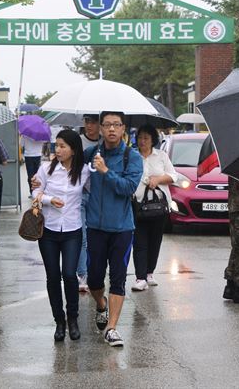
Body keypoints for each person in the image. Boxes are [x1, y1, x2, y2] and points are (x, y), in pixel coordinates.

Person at [84, 111, 143, 347]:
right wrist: (41, 181)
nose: (111, 129)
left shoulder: (132, 157)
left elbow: (128, 188)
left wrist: (106, 172)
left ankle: (112, 328)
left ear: (123, 128)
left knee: (118, 277)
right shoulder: (91, 154)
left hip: (121, 228)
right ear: (99, 128)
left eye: (116, 125)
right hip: (95, 226)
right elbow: (68, 170)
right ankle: (101, 304)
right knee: (94, 279)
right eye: (106, 124)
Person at [32, 129, 90, 341]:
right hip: (48, 230)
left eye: (63, 146)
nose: (58, 149)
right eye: (56, 145)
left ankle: (73, 319)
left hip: (73, 230)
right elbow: (35, 192)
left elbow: (94, 189)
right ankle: (59, 321)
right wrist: (48, 200)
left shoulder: (84, 171)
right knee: (53, 276)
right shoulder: (46, 169)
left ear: (74, 149)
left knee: (69, 274)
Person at [131, 124, 177, 291]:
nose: (142, 141)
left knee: (155, 240)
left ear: (153, 140)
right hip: (138, 205)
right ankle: (140, 277)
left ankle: (150, 273)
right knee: (139, 241)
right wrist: (144, 180)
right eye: (140, 137)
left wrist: (157, 180)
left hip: (159, 205)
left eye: (146, 138)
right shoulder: (132, 156)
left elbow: (173, 176)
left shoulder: (162, 156)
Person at [77, 114, 102, 292]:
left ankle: (97, 272)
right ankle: (82, 274)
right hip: (81, 195)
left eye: (93, 122)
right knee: (83, 237)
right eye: (87, 122)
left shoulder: (107, 143)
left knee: (97, 238)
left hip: (100, 197)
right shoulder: (78, 142)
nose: (89, 126)